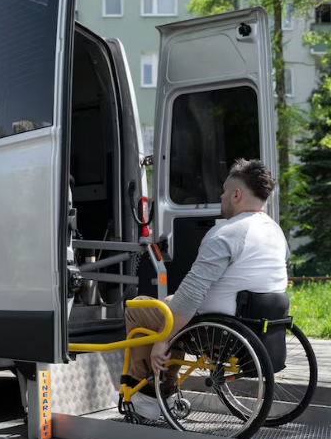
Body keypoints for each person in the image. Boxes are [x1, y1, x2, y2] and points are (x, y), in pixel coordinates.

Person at [124, 158, 290, 419]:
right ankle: (165, 388)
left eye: (224, 191)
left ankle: (148, 397)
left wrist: (163, 340)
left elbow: (191, 295)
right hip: (255, 326)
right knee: (171, 302)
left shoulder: (226, 233)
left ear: (237, 195)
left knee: (140, 307)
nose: (221, 197)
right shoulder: (275, 232)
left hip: (215, 332)